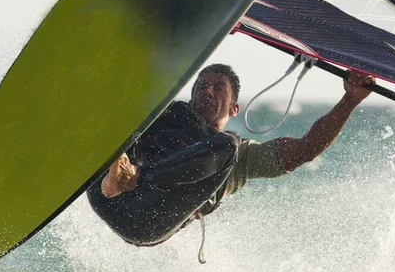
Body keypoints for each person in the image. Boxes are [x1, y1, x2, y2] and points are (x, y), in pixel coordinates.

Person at [87, 63, 374, 251]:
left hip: (149, 218)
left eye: (218, 87)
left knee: (226, 147)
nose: (207, 91)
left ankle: (133, 177)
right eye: (201, 86)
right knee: (138, 107)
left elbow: (305, 149)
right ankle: (113, 172)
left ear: (234, 108)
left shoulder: (241, 155)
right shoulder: (169, 113)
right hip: (103, 194)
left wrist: (350, 100)